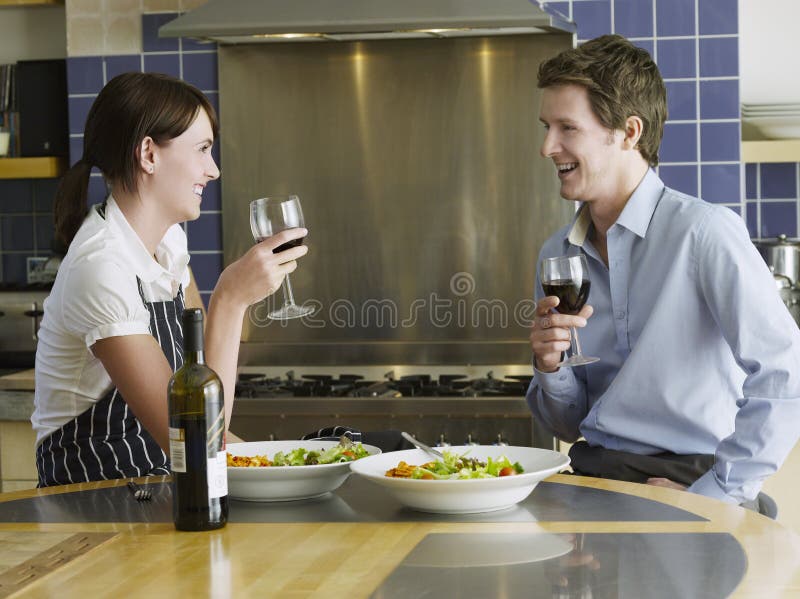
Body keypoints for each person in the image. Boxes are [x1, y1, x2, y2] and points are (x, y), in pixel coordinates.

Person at [526, 34, 800, 509]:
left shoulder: (704, 233)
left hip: (689, 477)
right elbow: (569, 426)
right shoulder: (558, 254)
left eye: (567, 127)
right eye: (546, 126)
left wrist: (715, 496)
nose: (548, 146)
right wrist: (551, 368)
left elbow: (785, 374)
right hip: (594, 476)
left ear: (629, 132)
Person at [32, 72, 308, 486]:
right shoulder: (100, 269)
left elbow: (210, 415)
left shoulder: (168, 244)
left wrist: (293, 467)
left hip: (162, 496)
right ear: (148, 154)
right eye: (202, 150)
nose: (212, 171)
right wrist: (231, 300)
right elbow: (197, 435)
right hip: (93, 516)